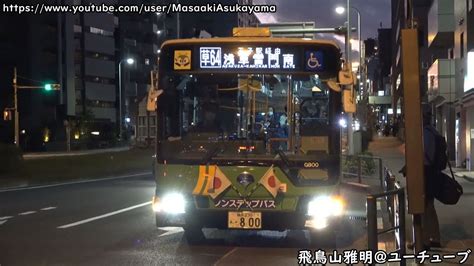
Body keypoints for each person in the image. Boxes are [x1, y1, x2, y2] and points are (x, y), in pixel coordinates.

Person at [402, 104, 442, 250]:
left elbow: (424, 157)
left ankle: (423, 241)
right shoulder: (433, 132)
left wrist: (412, 166)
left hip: (425, 173)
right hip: (432, 173)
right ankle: (435, 238)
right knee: (429, 207)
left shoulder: (425, 133)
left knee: (422, 206)